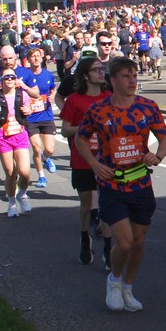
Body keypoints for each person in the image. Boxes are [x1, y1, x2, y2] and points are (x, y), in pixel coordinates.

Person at [75, 58, 166, 313]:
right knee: (126, 242)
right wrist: (94, 164)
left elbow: (165, 138)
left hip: (141, 184)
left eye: (134, 76)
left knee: (138, 242)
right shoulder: (98, 110)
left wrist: (157, 156)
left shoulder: (147, 107)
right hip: (112, 185)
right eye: (127, 76)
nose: (132, 81)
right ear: (113, 80)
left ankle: (128, 288)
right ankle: (114, 281)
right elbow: (81, 139)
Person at [60, 56, 113, 267]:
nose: (101, 73)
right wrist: (87, 127)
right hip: (82, 160)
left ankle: (108, 247)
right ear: (85, 75)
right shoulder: (75, 100)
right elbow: (65, 130)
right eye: (96, 70)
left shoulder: (109, 97)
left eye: (102, 69)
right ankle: (84, 237)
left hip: (107, 159)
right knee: (86, 204)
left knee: (106, 204)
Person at [0, 68, 34, 218]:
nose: (10, 80)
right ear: (1, 80)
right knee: (11, 173)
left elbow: (29, 109)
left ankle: (22, 194)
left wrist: (28, 111)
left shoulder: (22, 95)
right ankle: (11, 203)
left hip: (20, 134)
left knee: (25, 172)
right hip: (3, 136)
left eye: (12, 77)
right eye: (6, 77)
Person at [17, 46, 59, 188]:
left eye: (38, 56)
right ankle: (41, 176)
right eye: (33, 56)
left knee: (49, 149)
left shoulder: (48, 75)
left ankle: (45, 158)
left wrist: (52, 96)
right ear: (28, 59)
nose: (36, 58)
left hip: (46, 115)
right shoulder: (25, 76)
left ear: (42, 58)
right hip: (30, 117)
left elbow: (53, 89)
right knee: (36, 147)